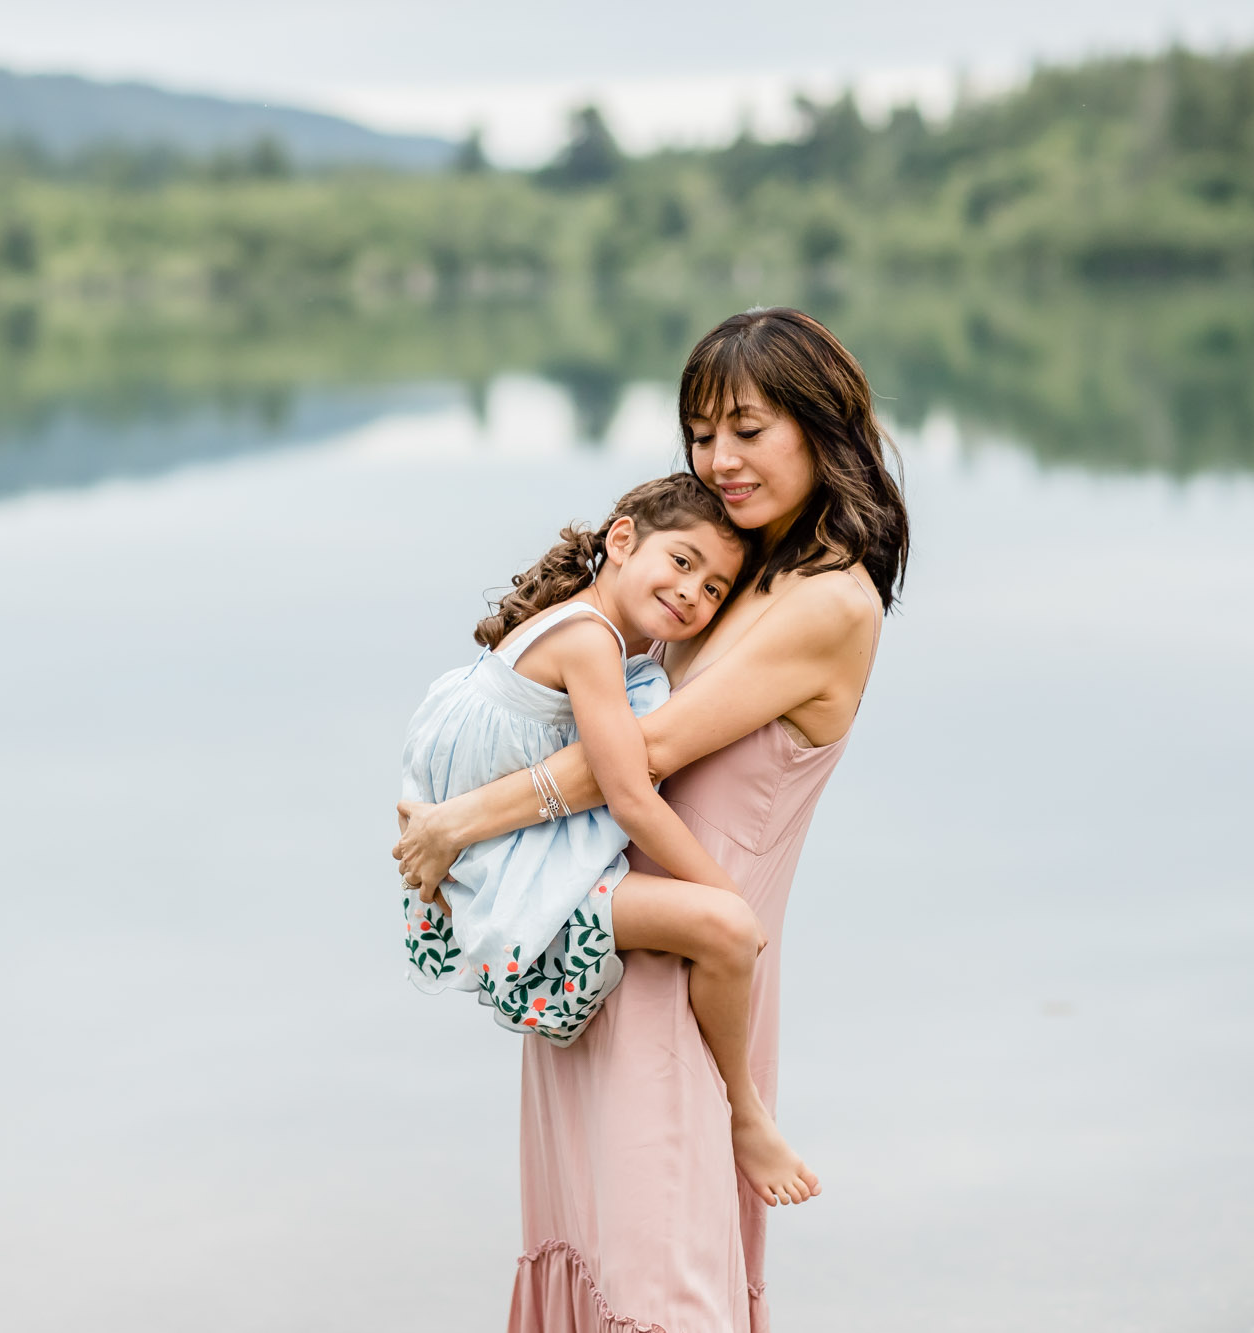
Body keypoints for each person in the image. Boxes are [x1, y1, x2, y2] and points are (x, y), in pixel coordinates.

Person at [394, 307, 909, 1333]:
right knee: (596, 1261)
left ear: (821, 428)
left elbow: (644, 760)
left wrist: (454, 825)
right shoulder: (729, 576)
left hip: (687, 978)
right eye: (700, 432)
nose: (718, 458)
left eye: (747, 430)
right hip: (599, 942)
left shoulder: (826, 600)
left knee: (659, 1288)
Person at [400, 475, 812, 1207]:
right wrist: (727, 893)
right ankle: (745, 1111)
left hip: (501, 850)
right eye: (682, 562)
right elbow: (630, 795)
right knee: (725, 930)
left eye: (716, 589)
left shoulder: (595, 629)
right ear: (622, 539)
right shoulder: (590, 640)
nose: (694, 594)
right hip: (507, 869)